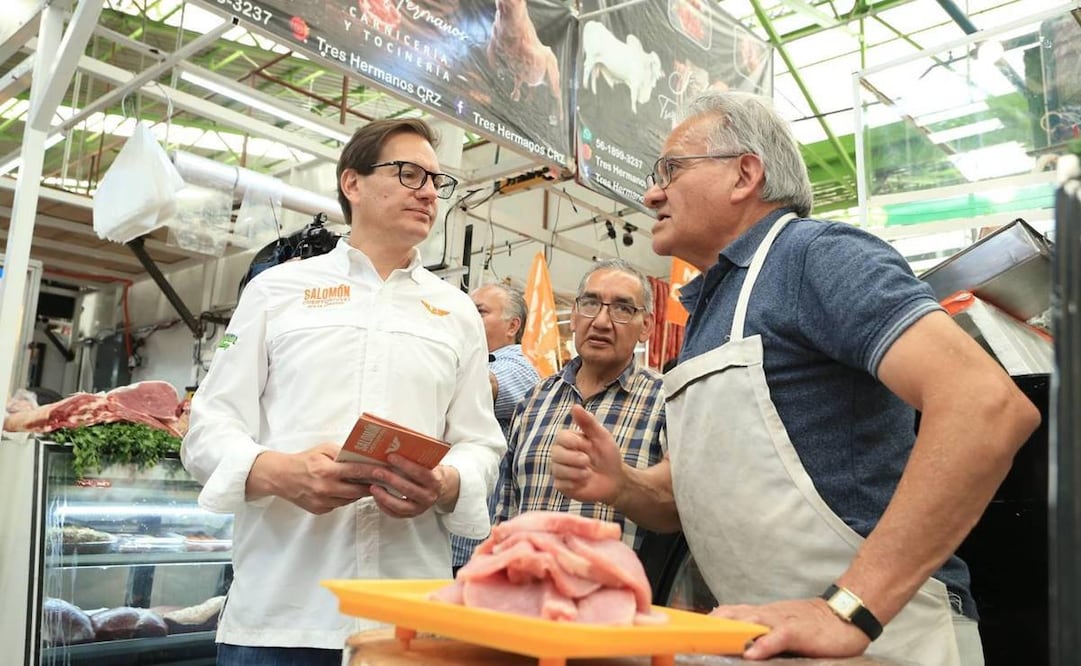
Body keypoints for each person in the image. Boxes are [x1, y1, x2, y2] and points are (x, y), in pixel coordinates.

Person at [550, 92, 1040, 664]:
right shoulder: (711, 309)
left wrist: (848, 608)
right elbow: (694, 496)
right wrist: (625, 485)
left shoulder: (815, 256)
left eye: (671, 170)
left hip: (884, 638)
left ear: (745, 175)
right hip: (770, 636)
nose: (652, 193)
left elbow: (985, 405)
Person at [181, 118, 505, 666]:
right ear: (352, 183)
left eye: (436, 180)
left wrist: (447, 482)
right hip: (280, 620)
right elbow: (208, 429)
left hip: (407, 622)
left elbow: (480, 443)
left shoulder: (456, 312)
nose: (429, 192)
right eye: (409, 173)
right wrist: (278, 472)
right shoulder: (276, 291)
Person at [498, 259, 666, 552]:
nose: (601, 321)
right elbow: (506, 511)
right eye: (590, 304)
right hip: (526, 577)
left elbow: (678, 510)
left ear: (646, 326)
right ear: (574, 316)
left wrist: (623, 484)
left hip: (610, 581)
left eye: (622, 309)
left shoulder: (666, 401)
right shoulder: (534, 401)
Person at [450, 283, 540, 570]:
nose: (468, 316)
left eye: (480, 311)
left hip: (475, 546)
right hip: (445, 536)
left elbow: (485, 385)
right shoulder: (468, 359)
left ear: (513, 325)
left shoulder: (520, 368)